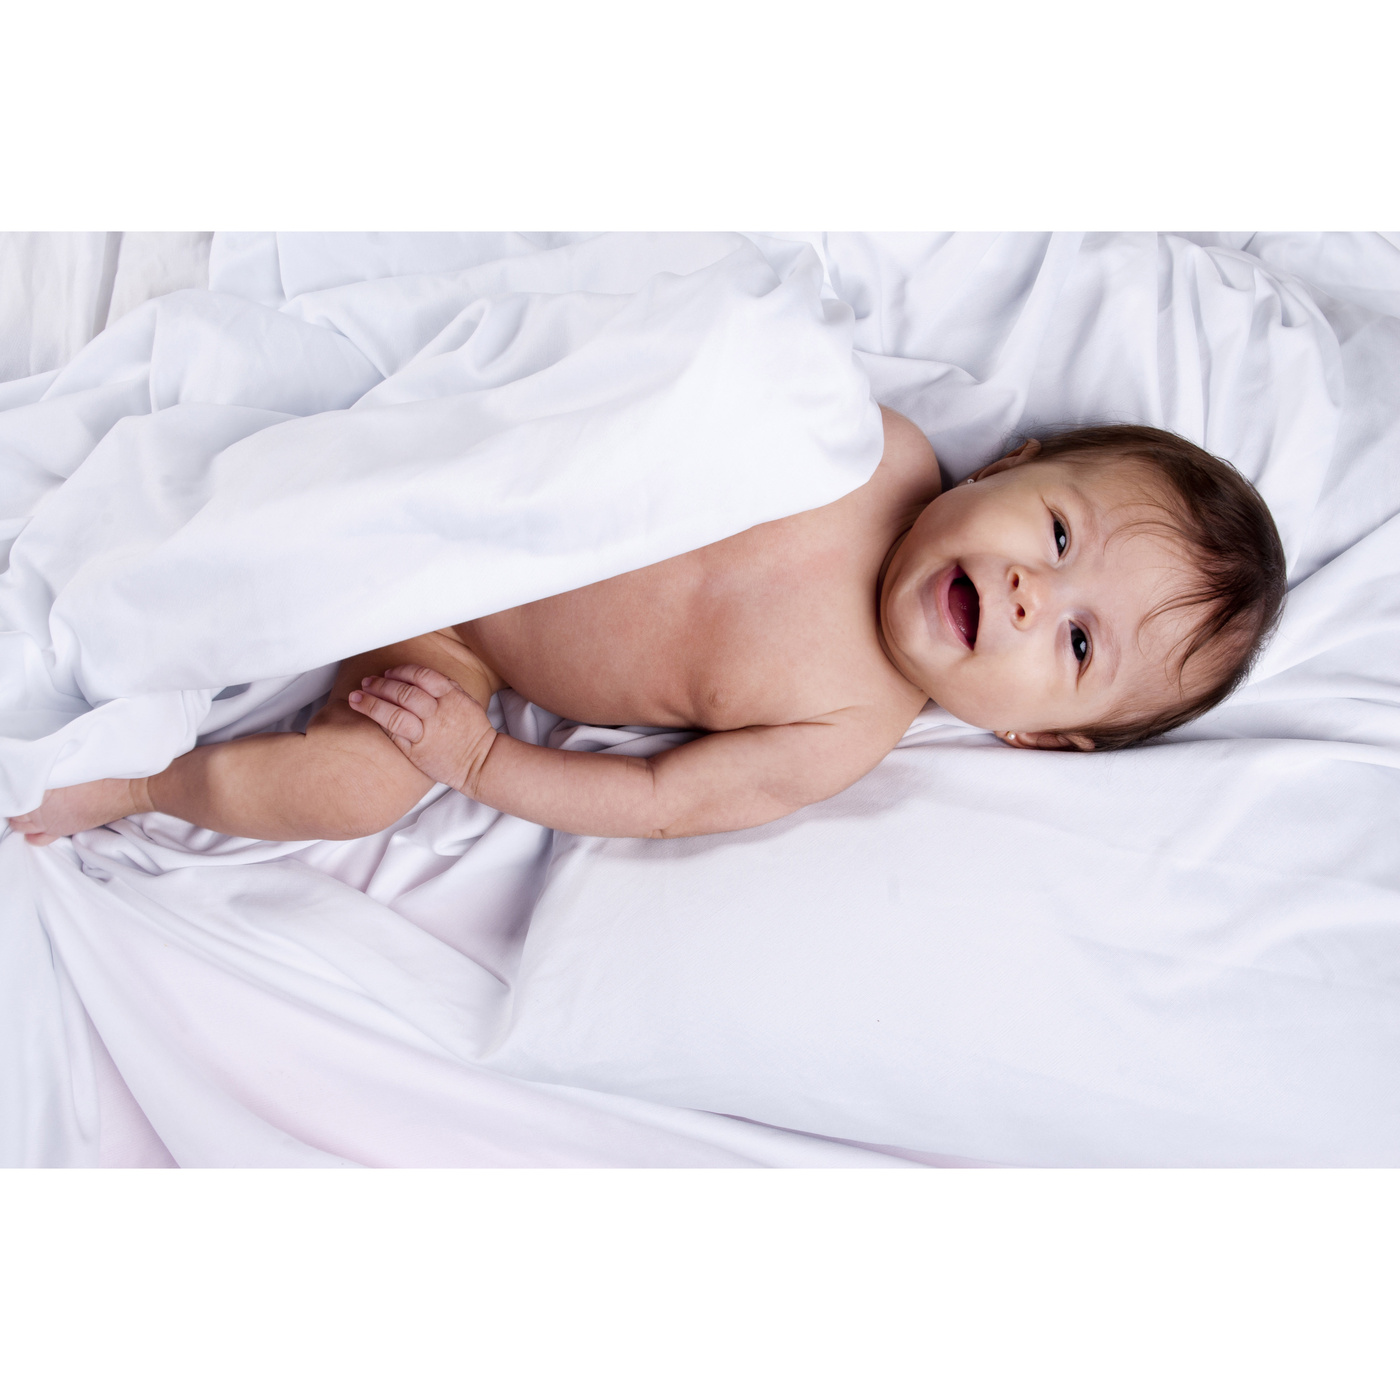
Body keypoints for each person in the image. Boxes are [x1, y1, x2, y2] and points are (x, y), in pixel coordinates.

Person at [7, 410, 1286, 845]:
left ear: (1036, 733)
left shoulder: (843, 727)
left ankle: (142, 785)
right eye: (1055, 533)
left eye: (1075, 644)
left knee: (353, 790)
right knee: (244, 503)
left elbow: (660, 801)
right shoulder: (868, 444)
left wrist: (474, 757)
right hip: (450, 502)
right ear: (1010, 461)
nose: (1026, 595)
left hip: (453, 658)